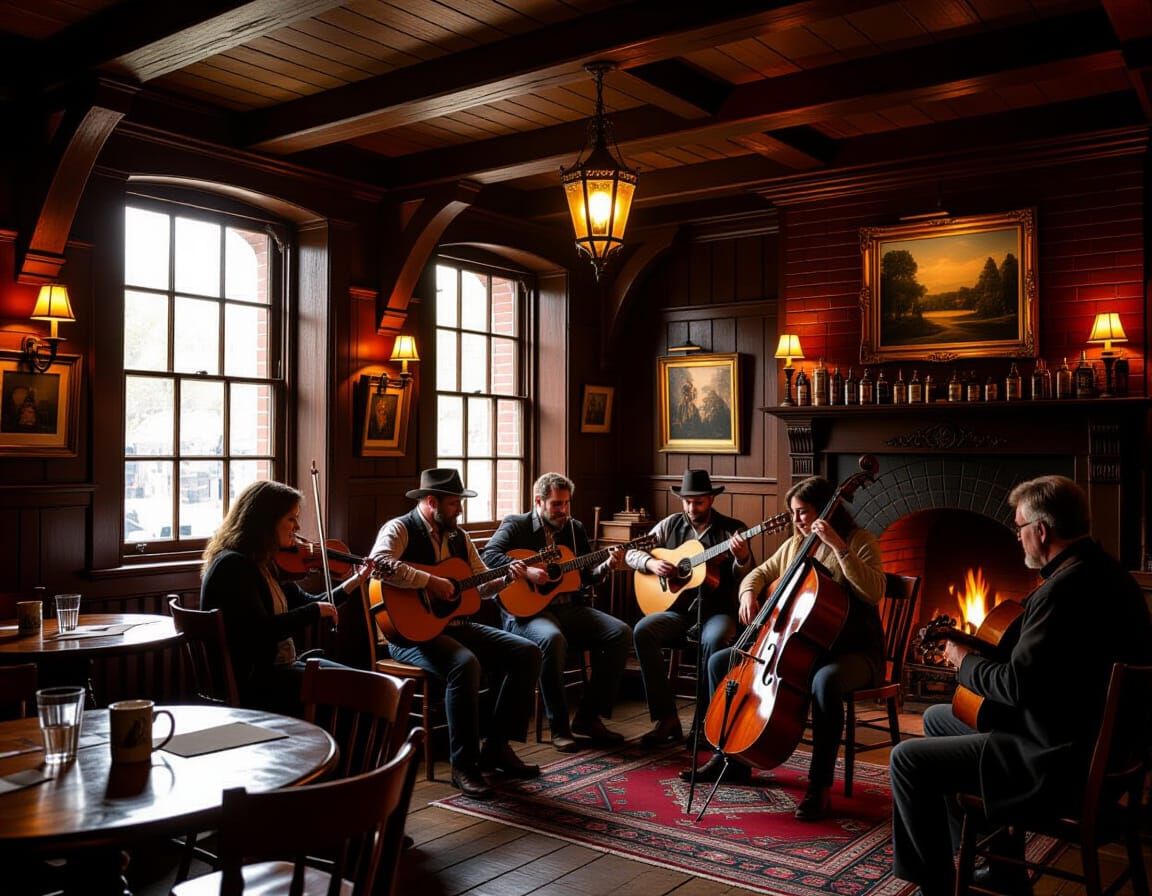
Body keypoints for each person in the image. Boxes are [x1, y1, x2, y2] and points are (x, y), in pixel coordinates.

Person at [889, 475, 1152, 896]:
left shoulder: (1064, 591)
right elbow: (1047, 669)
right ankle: (1000, 866)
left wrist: (963, 660)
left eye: (1019, 527)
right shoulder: (1105, 573)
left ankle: (934, 887)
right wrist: (973, 645)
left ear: (1041, 530)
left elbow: (1016, 685)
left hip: (1057, 758)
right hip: (1092, 742)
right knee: (942, 717)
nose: (1017, 537)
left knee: (907, 759)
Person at [682, 475, 885, 821]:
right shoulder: (795, 545)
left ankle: (818, 787)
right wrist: (747, 593)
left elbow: (873, 591)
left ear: (826, 510)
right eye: (793, 513)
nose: (796, 520)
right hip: (805, 646)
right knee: (720, 662)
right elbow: (757, 573)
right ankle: (730, 757)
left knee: (825, 682)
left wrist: (839, 547)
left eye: (802, 512)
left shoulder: (859, 541)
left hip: (854, 651)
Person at [369, 468, 542, 799]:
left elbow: (482, 583)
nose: (459, 510)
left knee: (527, 652)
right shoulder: (400, 528)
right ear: (431, 502)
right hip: (409, 636)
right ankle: (464, 766)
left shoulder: (458, 537)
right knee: (465, 665)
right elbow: (379, 564)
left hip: (456, 627)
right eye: (453, 504)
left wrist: (508, 577)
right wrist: (430, 581)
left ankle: (496, 746)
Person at [482, 473, 631, 752]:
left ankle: (588, 718)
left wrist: (608, 565)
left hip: (568, 609)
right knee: (552, 639)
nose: (563, 510)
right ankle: (559, 727)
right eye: (556, 504)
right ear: (539, 501)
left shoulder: (574, 529)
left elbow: (586, 576)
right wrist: (527, 571)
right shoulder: (516, 524)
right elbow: (488, 556)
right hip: (526, 614)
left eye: (566, 504)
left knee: (620, 633)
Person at [200, 480, 370, 715]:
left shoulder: (264, 563)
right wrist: (315, 612)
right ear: (266, 521)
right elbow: (261, 631)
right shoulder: (233, 566)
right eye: (291, 518)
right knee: (363, 690)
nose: (298, 527)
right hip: (258, 681)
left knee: (364, 683)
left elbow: (308, 601)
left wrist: (355, 582)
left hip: (280, 668)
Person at [627, 469, 753, 746]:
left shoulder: (733, 529)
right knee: (643, 631)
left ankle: (707, 724)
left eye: (697, 502)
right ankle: (666, 719)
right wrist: (650, 563)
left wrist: (742, 558)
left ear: (710, 499)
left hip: (717, 611)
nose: (691, 507)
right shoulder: (669, 526)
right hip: (678, 611)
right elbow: (631, 552)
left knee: (717, 639)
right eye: (686, 501)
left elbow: (747, 577)